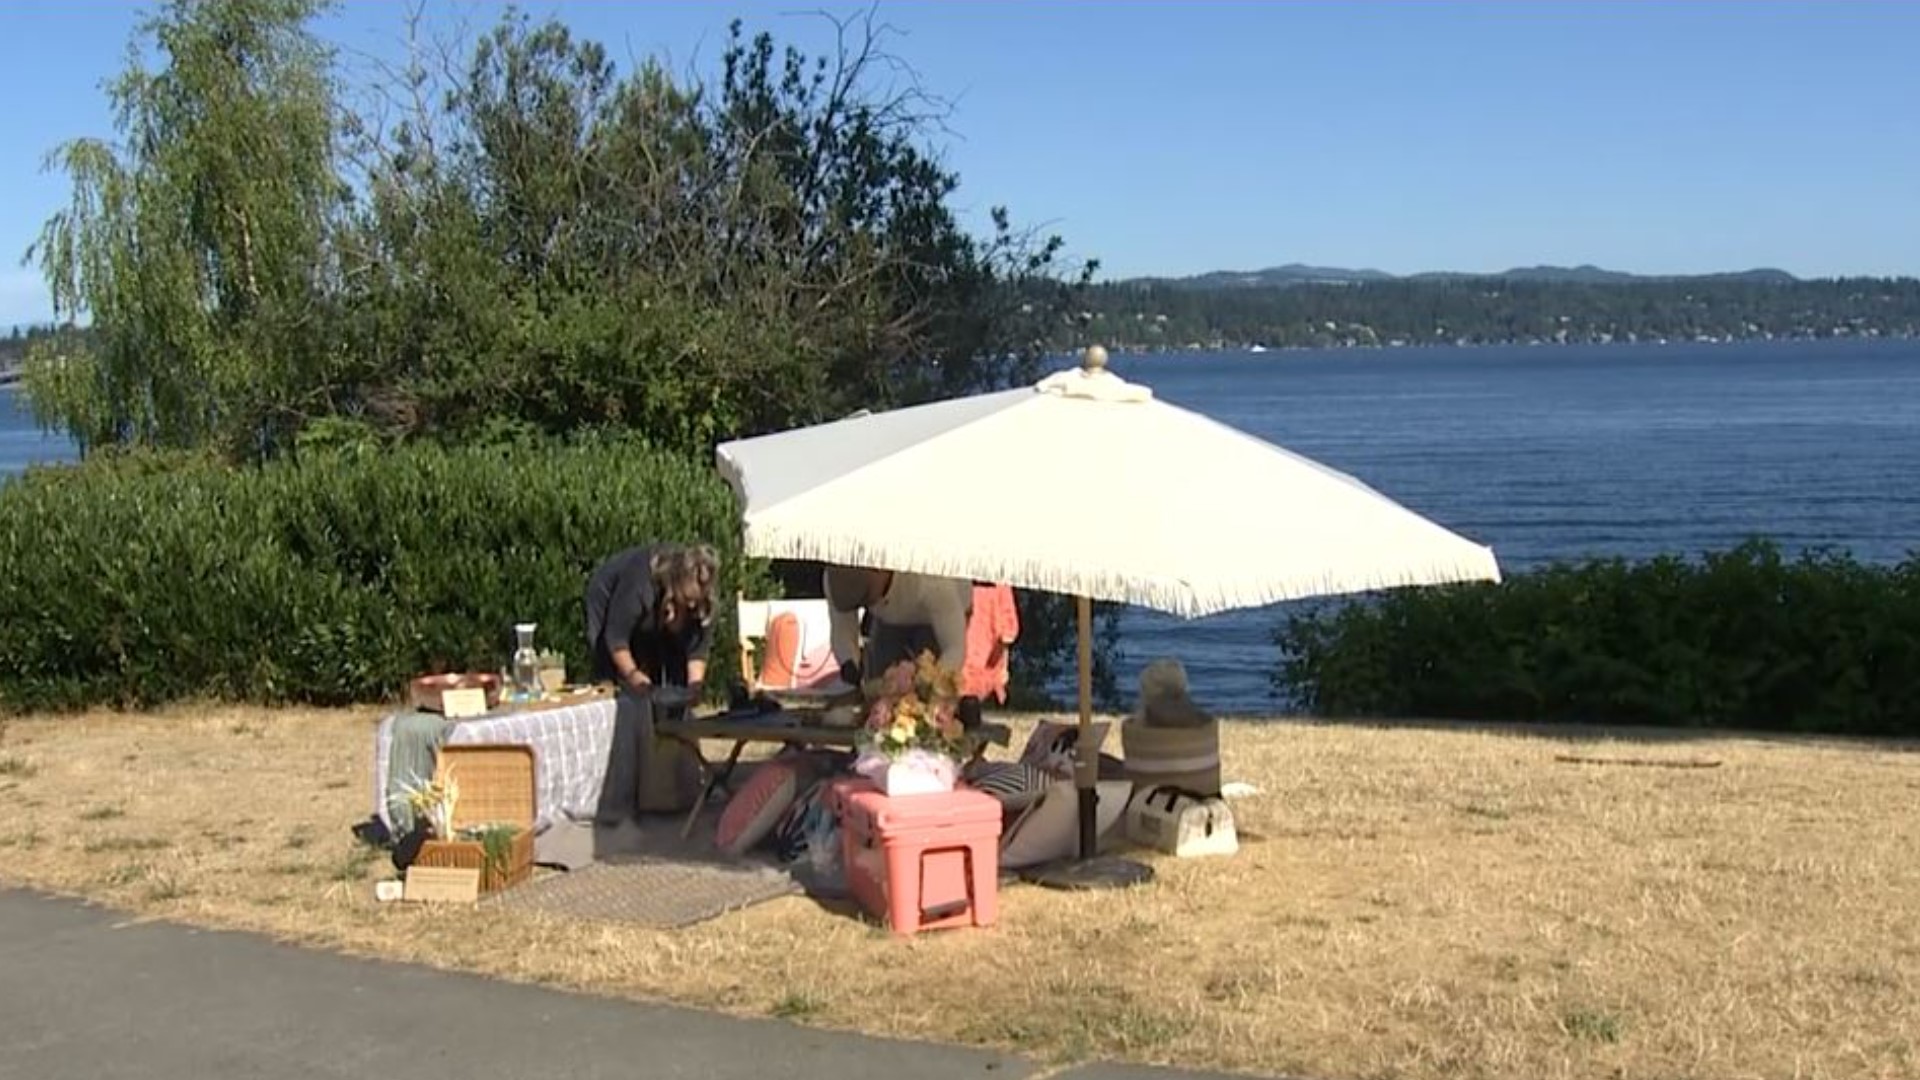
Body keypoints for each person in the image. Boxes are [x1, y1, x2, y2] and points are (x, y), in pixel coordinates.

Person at [823, 564, 983, 728]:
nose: (865, 603)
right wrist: (849, 663)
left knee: (926, 706)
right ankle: (875, 743)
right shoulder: (835, 580)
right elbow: (842, 628)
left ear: (880, 571)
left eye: (867, 598)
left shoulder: (932, 582)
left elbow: (954, 649)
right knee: (881, 699)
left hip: (939, 617)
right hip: (888, 618)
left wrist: (928, 686)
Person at [583, 543, 718, 699]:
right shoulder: (641, 584)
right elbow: (615, 637)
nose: (692, 605)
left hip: (656, 611)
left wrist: (694, 688)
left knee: (672, 680)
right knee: (619, 679)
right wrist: (633, 674)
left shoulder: (704, 601)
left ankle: (671, 717)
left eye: (696, 601)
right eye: (687, 599)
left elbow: (697, 651)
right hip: (608, 601)